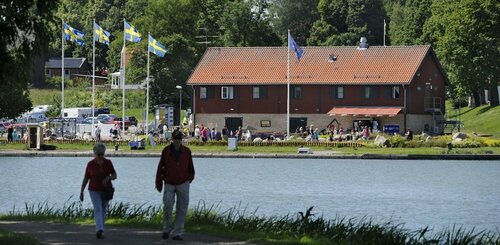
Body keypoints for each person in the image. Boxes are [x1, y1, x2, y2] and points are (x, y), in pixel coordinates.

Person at [155, 130, 195, 241]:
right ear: (172, 139)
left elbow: (190, 167)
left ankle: (177, 232)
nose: (177, 141)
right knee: (167, 206)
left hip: (183, 183)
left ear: (181, 139)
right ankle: (166, 229)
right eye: (175, 138)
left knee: (181, 209)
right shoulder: (166, 151)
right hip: (169, 182)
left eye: (179, 138)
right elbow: (160, 167)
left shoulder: (187, 151)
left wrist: (189, 179)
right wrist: (158, 182)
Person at [80, 142, 117, 239]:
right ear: (95, 153)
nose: (100, 157)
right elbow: (86, 178)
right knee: (98, 209)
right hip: (93, 189)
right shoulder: (90, 164)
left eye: (102, 154)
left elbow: (115, 175)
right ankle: (99, 230)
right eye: (98, 155)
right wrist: (81, 191)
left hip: (106, 190)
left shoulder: (108, 163)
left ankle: (101, 228)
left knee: (103, 210)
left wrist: (109, 178)